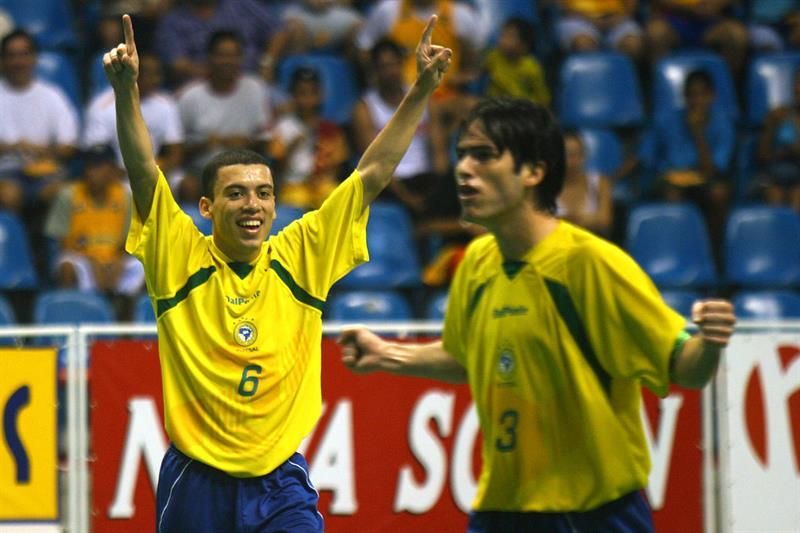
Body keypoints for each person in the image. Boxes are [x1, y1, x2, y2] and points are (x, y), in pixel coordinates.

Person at [103, 13, 450, 531]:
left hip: (279, 480)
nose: (253, 205)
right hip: (196, 480)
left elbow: (372, 173)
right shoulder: (178, 255)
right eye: (236, 193)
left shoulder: (301, 254)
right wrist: (126, 91)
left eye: (264, 193)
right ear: (205, 206)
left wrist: (420, 89)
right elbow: (141, 170)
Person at [339, 97, 736, 531]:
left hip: (590, 514)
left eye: (484, 155)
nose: (464, 168)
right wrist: (387, 355)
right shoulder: (476, 263)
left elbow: (686, 368)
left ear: (533, 171)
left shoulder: (589, 264)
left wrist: (710, 342)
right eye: (462, 154)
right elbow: (468, 356)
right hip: (502, 510)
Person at [43, 144, 144, 299]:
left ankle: (129, 317)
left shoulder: (125, 197)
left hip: (114, 259)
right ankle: (71, 309)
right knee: (67, 267)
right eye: (89, 166)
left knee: (147, 268)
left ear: (112, 170)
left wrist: (118, 261)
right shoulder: (69, 195)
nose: (91, 172)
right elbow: (59, 243)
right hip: (80, 257)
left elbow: (129, 241)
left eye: (98, 166)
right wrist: (91, 260)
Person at [0, 28, 79, 214]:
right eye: (12, 55)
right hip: (6, 173)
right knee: (8, 195)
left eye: (24, 54)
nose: (18, 62)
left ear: (34, 58)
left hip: (47, 173)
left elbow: (69, 146)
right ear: (3, 61)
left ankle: (56, 243)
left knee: (63, 194)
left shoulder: (53, 95)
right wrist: (12, 147)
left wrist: (39, 150)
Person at [267, 66, 350, 210]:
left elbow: (338, 166)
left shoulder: (330, 129)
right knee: (294, 204)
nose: (307, 99)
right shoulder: (283, 128)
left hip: (321, 186)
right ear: (292, 95)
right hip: (293, 187)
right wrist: (293, 145)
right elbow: (276, 169)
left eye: (312, 93)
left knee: (335, 199)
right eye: (302, 93)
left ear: (321, 95)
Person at [755, 68, 800, 211]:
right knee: (774, 195)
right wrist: (771, 127)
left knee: (797, 197)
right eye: (798, 83)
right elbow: (762, 156)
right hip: (774, 176)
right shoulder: (777, 115)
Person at [482, 17, 550, 106]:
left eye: (509, 37)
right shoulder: (494, 56)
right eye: (502, 35)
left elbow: (542, 98)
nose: (502, 40)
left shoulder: (531, 67)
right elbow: (477, 72)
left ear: (523, 46)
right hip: (493, 106)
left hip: (519, 110)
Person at [557, 131, 613, 237]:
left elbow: (604, 221)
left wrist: (563, 219)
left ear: (583, 156)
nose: (568, 161)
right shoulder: (544, 185)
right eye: (563, 155)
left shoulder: (600, 182)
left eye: (573, 155)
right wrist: (586, 219)